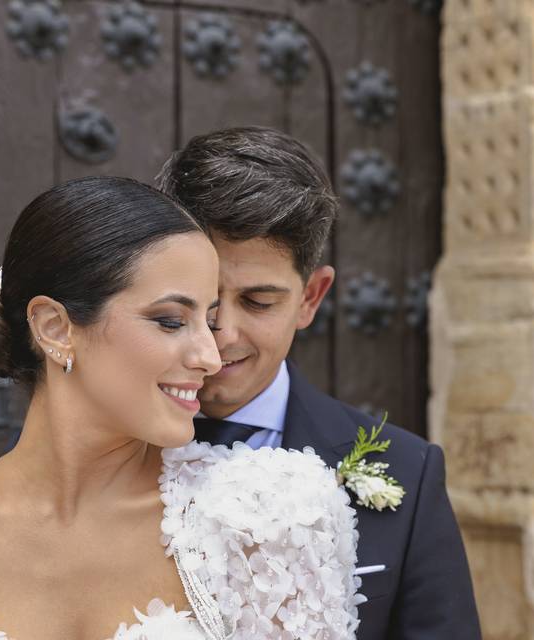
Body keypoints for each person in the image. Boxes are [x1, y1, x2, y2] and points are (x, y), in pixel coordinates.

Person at [0, 176, 362, 640]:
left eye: (209, 318)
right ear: (56, 328)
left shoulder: (272, 521)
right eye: (172, 320)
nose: (210, 355)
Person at [156, 127, 483, 640]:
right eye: (202, 299)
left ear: (311, 297)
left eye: (260, 302)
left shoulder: (407, 472)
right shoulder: (92, 448)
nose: (222, 334)